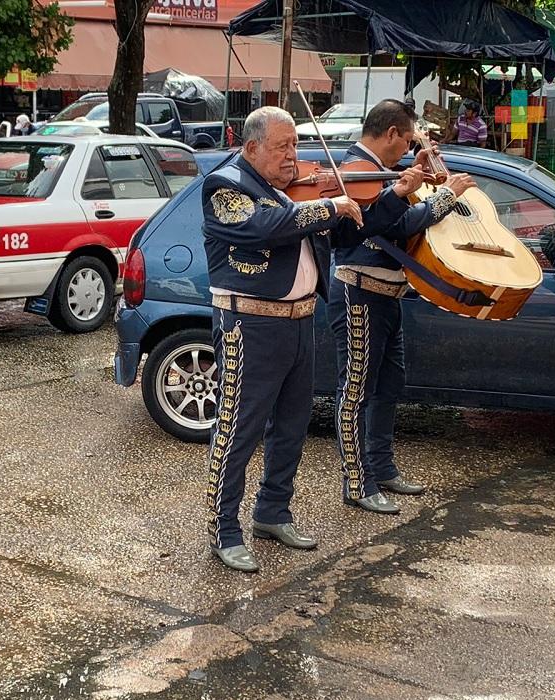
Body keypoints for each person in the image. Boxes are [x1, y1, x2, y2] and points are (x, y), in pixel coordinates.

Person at [201, 105, 424, 572]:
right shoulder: (226, 186)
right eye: (283, 147)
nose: (293, 157)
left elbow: (348, 231)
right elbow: (263, 228)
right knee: (238, 429)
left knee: (292, 425)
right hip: (249, 325)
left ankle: (273, 511)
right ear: (252, 147)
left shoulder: (288, 193)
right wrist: (326, 205)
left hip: (300, 319)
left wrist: (396, 195)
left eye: (295, 145)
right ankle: (224, 528)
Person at [329, 99, 476, 515]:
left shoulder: (384, 169)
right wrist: (444, 197)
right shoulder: (357, 169)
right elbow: (396, 225)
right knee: (355, 389)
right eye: (407, 139)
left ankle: (381, 466)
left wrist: (426, 170)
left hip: (389, 293)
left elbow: (404, 210)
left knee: (389, 386)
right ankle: (357, 481)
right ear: (392, 133)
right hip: (359, 291)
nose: (409, 147)